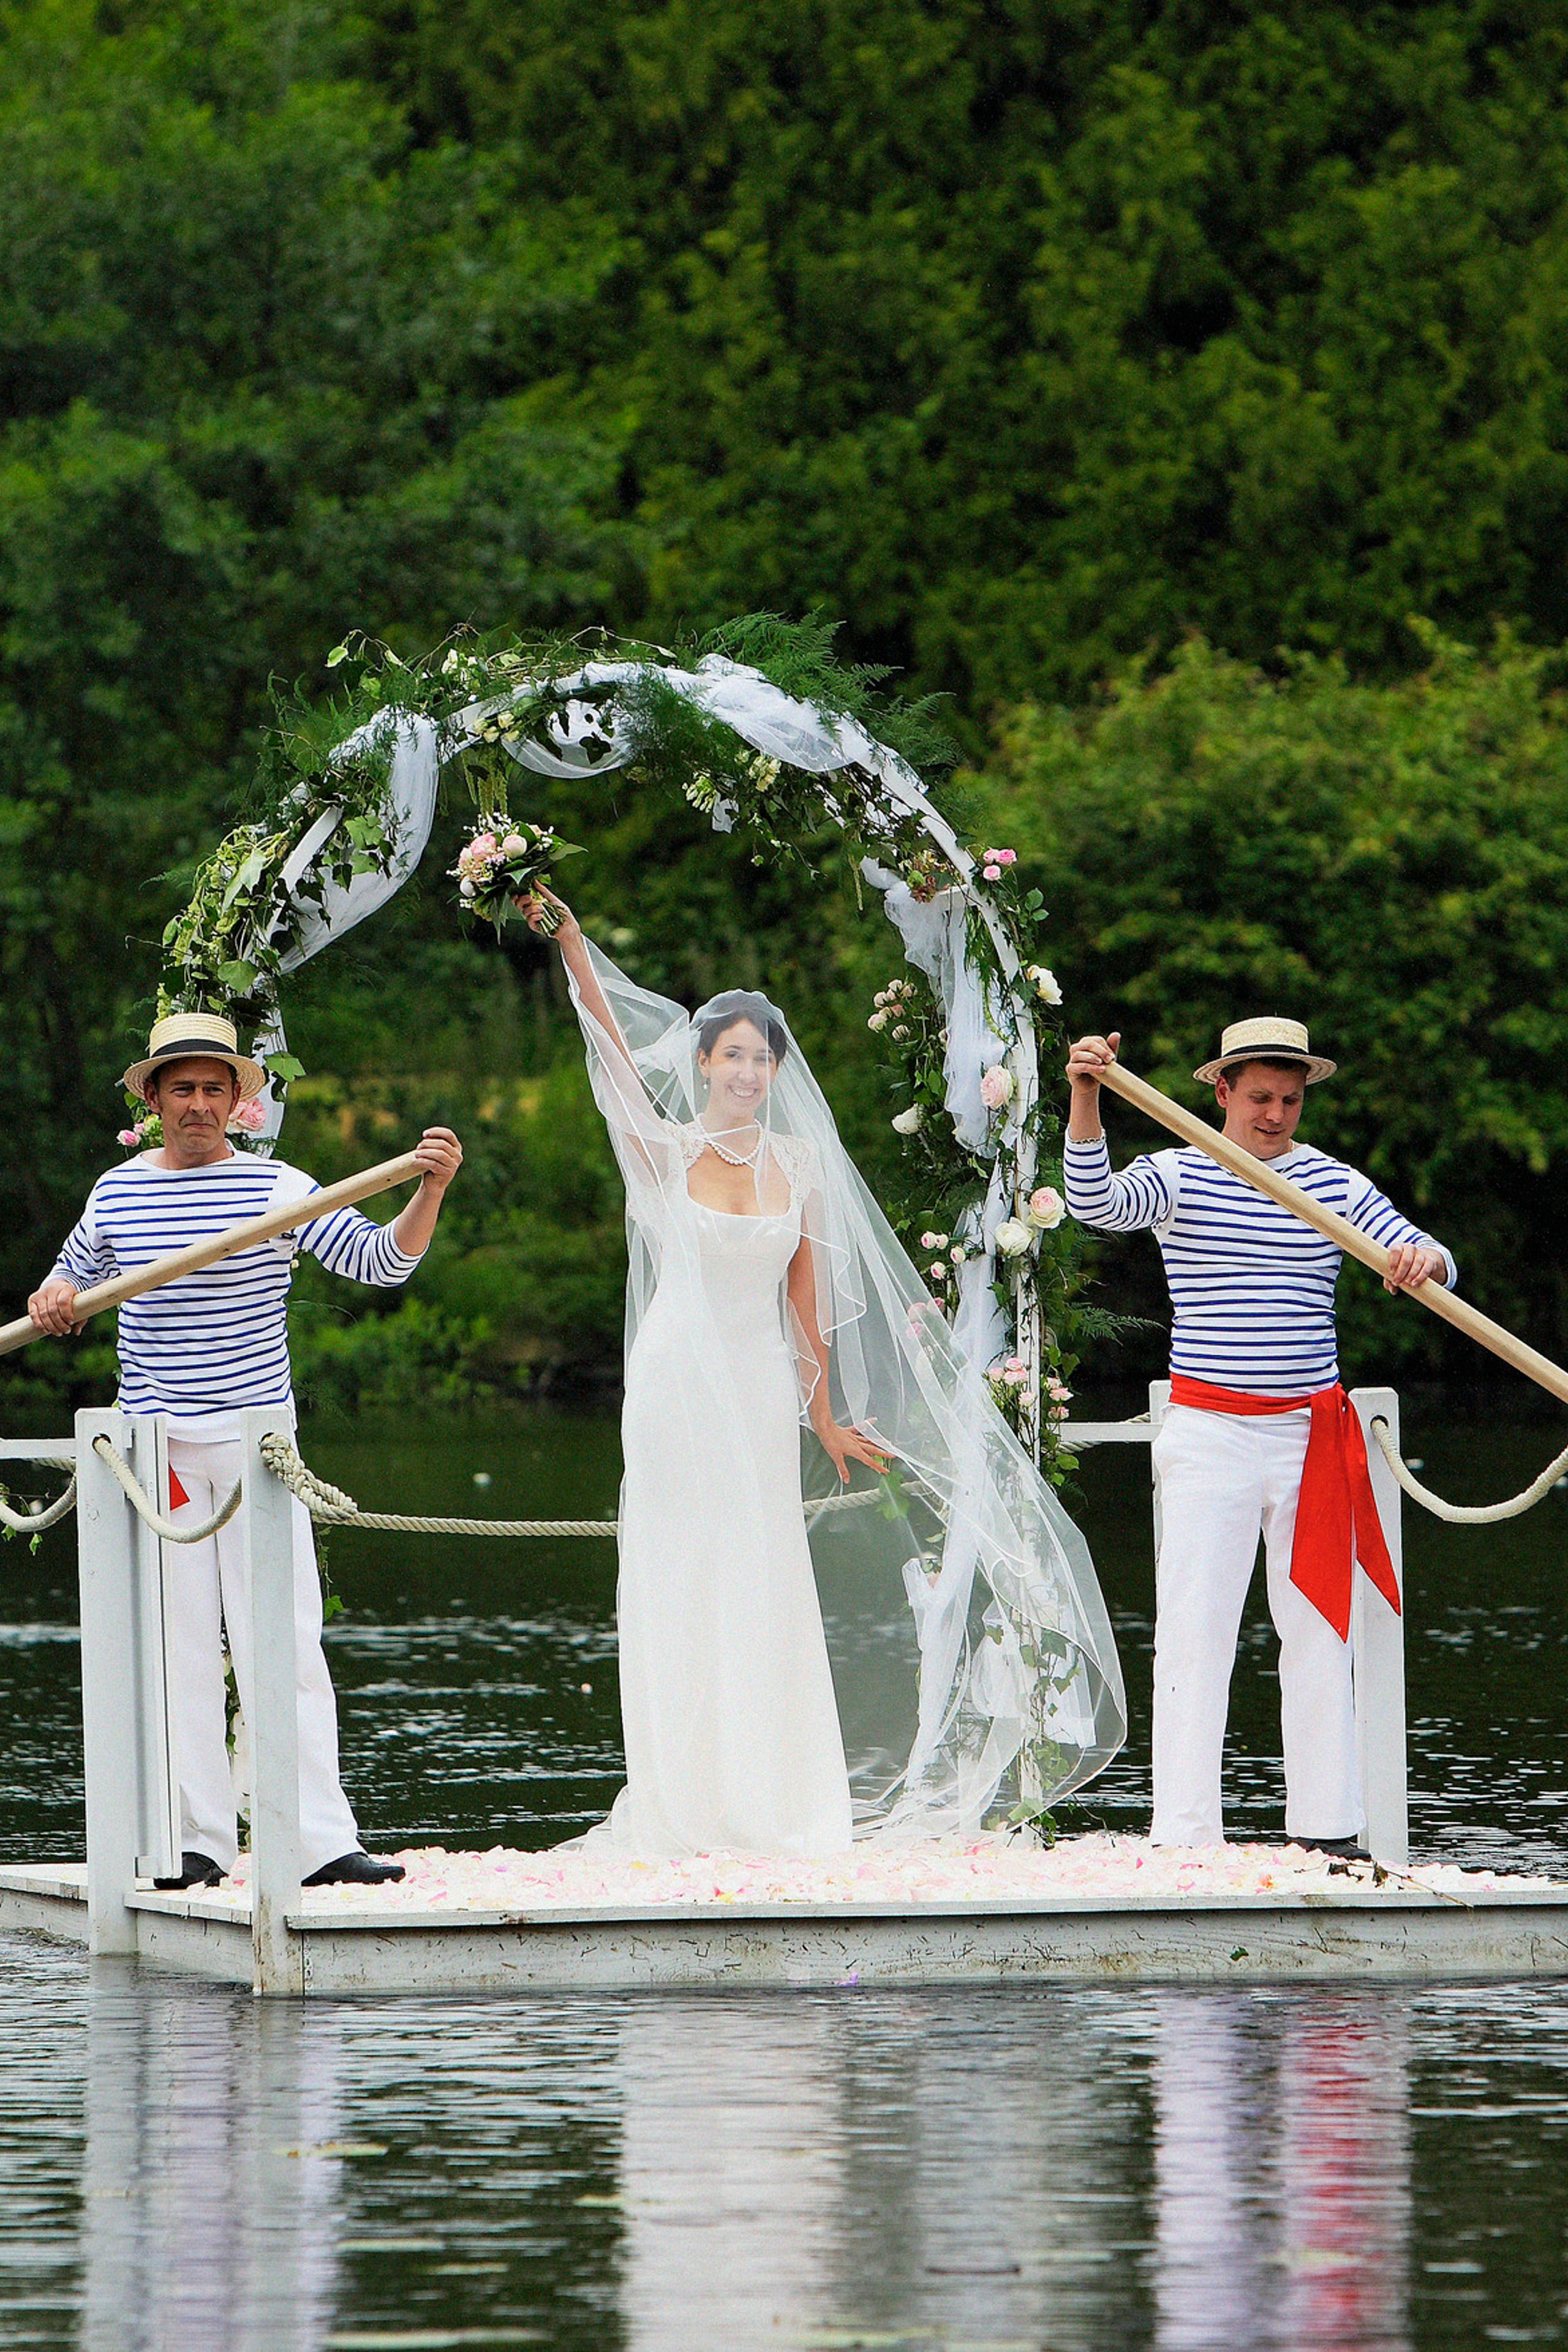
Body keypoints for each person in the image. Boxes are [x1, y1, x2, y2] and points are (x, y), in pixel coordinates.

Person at [526, 885, 1126, 1856]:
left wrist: (827, 1416)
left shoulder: (799, 1166)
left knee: (762, 1576)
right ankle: (682, 1799)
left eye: (764, 1058)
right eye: (735, 1056)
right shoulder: (662, 1155)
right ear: (704, 1062)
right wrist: (577, 947)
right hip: (678, 1386)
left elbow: (808, 1312)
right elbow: (605, 1045)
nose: (751, 1072)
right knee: (681, 1574)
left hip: (761, 1386)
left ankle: (772, 1800)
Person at [28, 1010, 464, 1888]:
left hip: (256, 1447)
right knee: (180, 1650)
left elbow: (382, 1264)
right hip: (156, 1455)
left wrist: (430, 1189)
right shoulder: (116, 1191)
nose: (197, 1104)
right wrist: (55, 1292)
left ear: (237, 1102)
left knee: (286, 1644)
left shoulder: (280, 1190)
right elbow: (68, 1274)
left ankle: (318, 1842)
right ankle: (198, 1843)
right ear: (152, 1098)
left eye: (213, 1089)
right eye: (181, 1088)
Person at [1063, 1016, 1453, 1854]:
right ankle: (1187, 1836)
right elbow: (1093, 1204)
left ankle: (1327, 1833)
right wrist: (1087, 1096)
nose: (1275, 1116)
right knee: (1195, 1632)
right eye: (1260, 1099)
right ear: (1223, 1092)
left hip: (1308, 1435)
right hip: (1209, 1431)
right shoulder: (1180, 1172)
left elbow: (1428, 1253)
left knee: (1317, 1631)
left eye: (1289, 1100)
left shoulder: (1333, 1185)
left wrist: (1426, 1261)